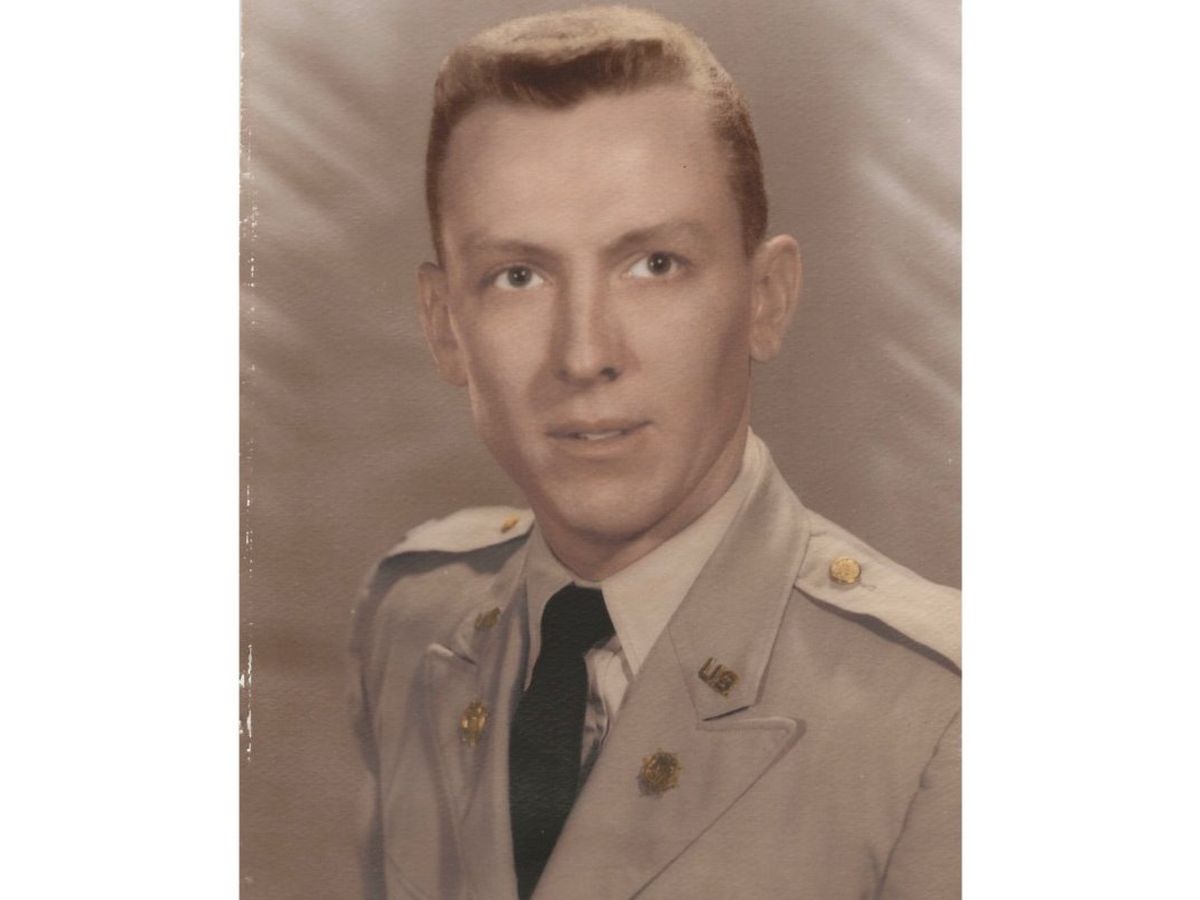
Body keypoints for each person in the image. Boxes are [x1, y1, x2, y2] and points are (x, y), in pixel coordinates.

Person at [348, 6, 960, 899]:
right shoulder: (411, 622)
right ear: (445, 327)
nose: (584, 353)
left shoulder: (943, 715)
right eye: (519, 276)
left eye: (654, 266)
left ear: (765, 299)